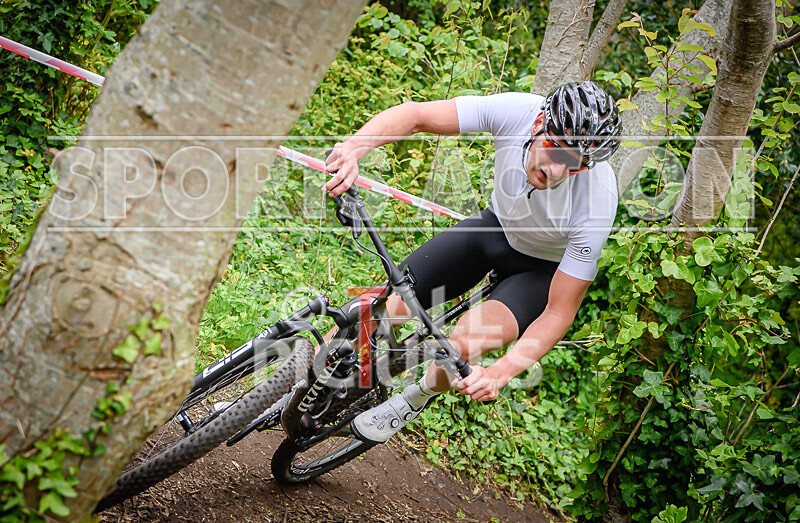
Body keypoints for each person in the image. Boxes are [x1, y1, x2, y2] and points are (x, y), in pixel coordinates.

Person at [323, 81, 621, 443]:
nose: (558, 171)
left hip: (538, 271)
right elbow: (417, 116)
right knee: (381, 307)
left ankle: (414, 398)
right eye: (556, 151)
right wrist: (354, 148)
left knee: (461, 344)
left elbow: (559, 311)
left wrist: (501, 372)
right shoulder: (516, 111)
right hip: (493, 230)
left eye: (574, 165)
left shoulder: (597, 204)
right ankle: (303, 377)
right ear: (539, 122)